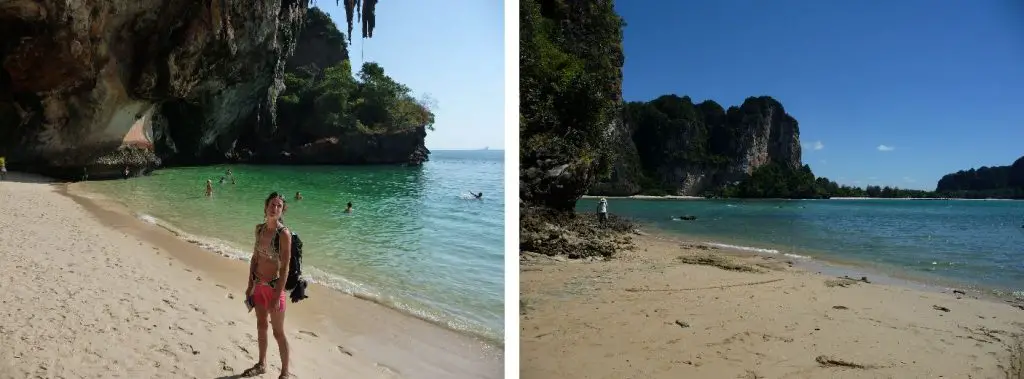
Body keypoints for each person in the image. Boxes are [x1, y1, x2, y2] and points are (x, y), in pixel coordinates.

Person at [242, 192, 293, 378]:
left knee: (278, 332)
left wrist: (276, 295)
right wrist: (250, 285)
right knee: (261, 325)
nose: (275, 208)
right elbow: (255, 258)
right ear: (266, 207)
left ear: (282, 211)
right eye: (273, 204)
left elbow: (285, 268)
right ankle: (261, 363)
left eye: (279, 206)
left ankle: (285, 373)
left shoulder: (284, 234)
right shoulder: (259, 229)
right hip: (258, 286)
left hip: (273, 289)